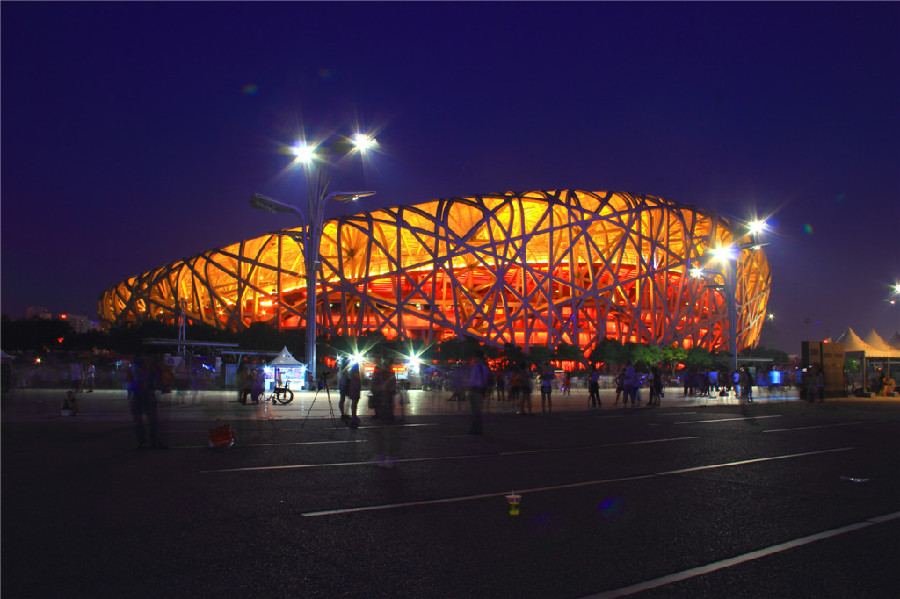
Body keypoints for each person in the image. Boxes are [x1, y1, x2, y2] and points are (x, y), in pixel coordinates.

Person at [131, 355, 166, 449]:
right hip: (147, 395)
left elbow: (133, 381)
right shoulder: (153, 368)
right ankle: (152, 440)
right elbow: (157, 382)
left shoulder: (137, 367)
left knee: (141, 420)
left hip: (139, 395)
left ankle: (143, 440)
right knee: (152, 420)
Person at [369, 356, 399, 466]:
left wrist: (376, 386)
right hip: (382, 404)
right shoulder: (386, 373)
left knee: (388, 431)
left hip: (385, 405)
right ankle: (381, 456)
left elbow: (382, 388)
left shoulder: (387, 374)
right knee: (378, 431)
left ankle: (390, 458)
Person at [467, 350, 490, 434]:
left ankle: (477, 428)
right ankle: (476, 428)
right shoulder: (484, 366)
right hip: (480, 390)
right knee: (477, 410)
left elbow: (473, 379)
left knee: (476, 411)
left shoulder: (476, 366)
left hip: (475, 390)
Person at [346, 363, 362, 428]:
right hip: (355, 389)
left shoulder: (352, 375)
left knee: (354, 403)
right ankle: (353, 417)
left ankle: (354, 416)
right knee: (354, 403)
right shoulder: (356, 376)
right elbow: (357, 380)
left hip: (354, 389)